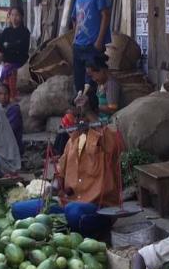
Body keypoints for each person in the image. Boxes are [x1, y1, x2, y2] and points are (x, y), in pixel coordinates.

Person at [12, 90, 120, 237]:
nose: (78, 120)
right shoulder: (72, 141)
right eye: (76, 116)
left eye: (82, 115)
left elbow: (114, 144)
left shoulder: (105, 137)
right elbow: (60, 174)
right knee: (18, 209)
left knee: (74, 212)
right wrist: (53, 188)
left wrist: (89, 113)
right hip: (69, 204)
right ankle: (65, 225)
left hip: (98, 208)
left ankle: (72, 225)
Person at [71, 0, 112, 93]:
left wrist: (99, 41)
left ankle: (94, 110)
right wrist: (74, 39)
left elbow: (105, 16)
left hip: (93, 45)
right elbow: (76, 19)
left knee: (94, 80)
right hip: (79, 45)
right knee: (79, 81)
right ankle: (81, 111)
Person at [0, 7, 30, 99]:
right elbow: (0, 45)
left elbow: (22, 47)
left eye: (17, 15)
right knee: (4, 82)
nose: (14, 17)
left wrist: (8, 45)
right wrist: (10, 45)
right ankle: (5, 98)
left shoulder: (25, 32)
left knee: (12, 75)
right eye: (12, 15)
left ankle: (13, 97)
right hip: (6, 62)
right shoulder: (6, 31)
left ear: (21, 17)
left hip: (19, 62)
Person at [86, 55, 120, 123]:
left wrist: (95, 107)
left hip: (108, 121)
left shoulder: (111, 85)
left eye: (92, 75)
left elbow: (112, 110)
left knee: (87, 112)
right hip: (101, 117)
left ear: (101, 70)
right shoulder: (101, 83)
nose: (93, 79)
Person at [0, 82, 24, 155]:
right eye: (0, 94)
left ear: (9, 95)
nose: (3, 97)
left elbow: (8, 131)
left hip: (11, 148)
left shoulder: (14, 109)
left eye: (6, 94)